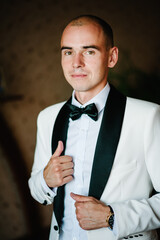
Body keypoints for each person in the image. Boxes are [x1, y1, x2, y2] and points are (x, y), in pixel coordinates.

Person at [28, 15, 160, 240]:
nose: (76, 62)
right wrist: (45, 179)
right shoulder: (47, 117)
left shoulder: (148, 116)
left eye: (89, 51)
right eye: (68, 52)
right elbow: (37, 189)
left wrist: (112, 216)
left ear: (112, 57)